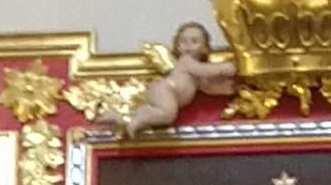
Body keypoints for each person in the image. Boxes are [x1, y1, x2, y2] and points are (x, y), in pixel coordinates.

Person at [100, 23, 236, 138]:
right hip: (166, 89)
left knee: (157, 111)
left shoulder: (195, 74)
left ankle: (126, 117)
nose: (188, 46)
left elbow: (207, 87)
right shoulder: (187, 61)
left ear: (205, 48)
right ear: (177, 46)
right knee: (167, 114)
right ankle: (136, 121)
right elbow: (205, 70)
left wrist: (227, 89)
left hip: (165, 91)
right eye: (183, 42)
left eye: (194, 41)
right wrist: (224, 67)